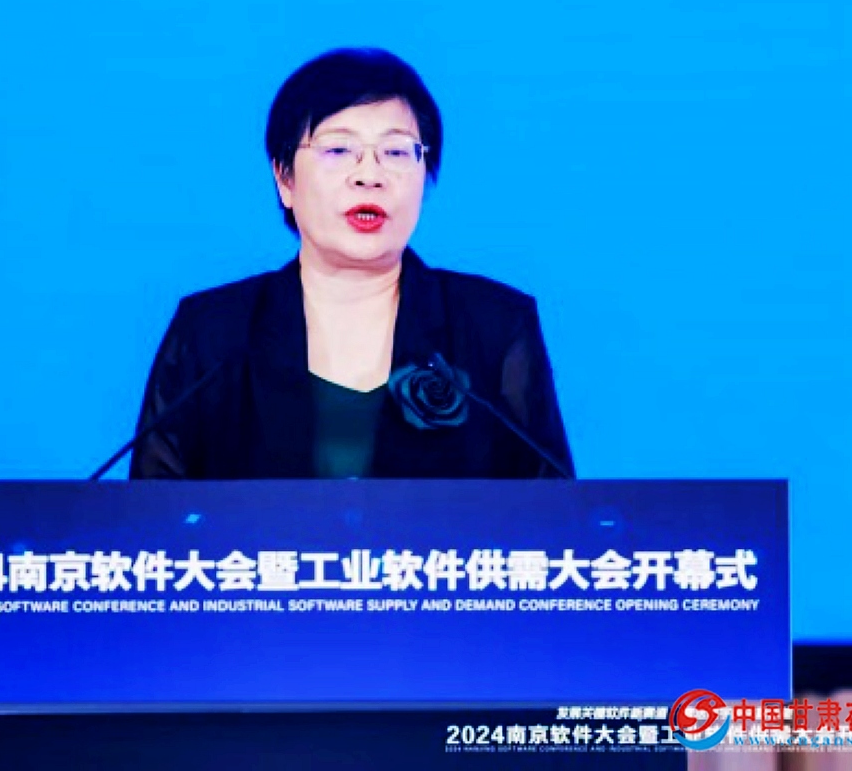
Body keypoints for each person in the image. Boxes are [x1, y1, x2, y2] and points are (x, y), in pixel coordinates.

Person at [128, 47, 574, 481]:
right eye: (338, 150)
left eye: (396, 152)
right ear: (284, 177)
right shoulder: (212, 333)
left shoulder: (495, 326)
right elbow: (150, 515)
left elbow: (554, 513)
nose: (369, 175)